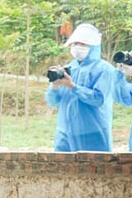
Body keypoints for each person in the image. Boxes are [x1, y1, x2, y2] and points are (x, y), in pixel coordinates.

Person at [45, 23, 116, 152]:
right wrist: (54, 86)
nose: (77, 47)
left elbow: (98, 99)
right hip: (65, 132)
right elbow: (52, 102)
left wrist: (73, 87)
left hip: (93, 132)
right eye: (75, 44)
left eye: (83, 44)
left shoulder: (105, 69)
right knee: (63, 170)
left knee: (95, 169)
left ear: (93, 46)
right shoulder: (69, 68)